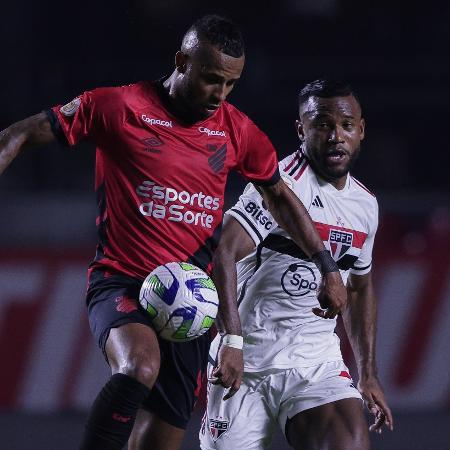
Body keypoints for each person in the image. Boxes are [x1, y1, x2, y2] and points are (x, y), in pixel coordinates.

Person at [0, 16, 346, 450]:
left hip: (193, 304)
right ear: (182, 61)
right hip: (121, 280)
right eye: (210, 79)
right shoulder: (118, 107)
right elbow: (19, 134)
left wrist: (326, 265)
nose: (219, 94)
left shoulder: (237, 130)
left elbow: (279, 196)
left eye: (230, 84)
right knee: (139, 366)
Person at [200, 79, 394, 450]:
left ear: (361, 130)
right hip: (246, 362)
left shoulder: (365, 205)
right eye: (322, 125)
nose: (336, 136)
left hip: (314, 363)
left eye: (346, 125)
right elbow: (223, 252)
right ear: (300, 129)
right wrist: (232, 341)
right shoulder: (279, 184)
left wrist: (367, 374)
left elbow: (359, 285)